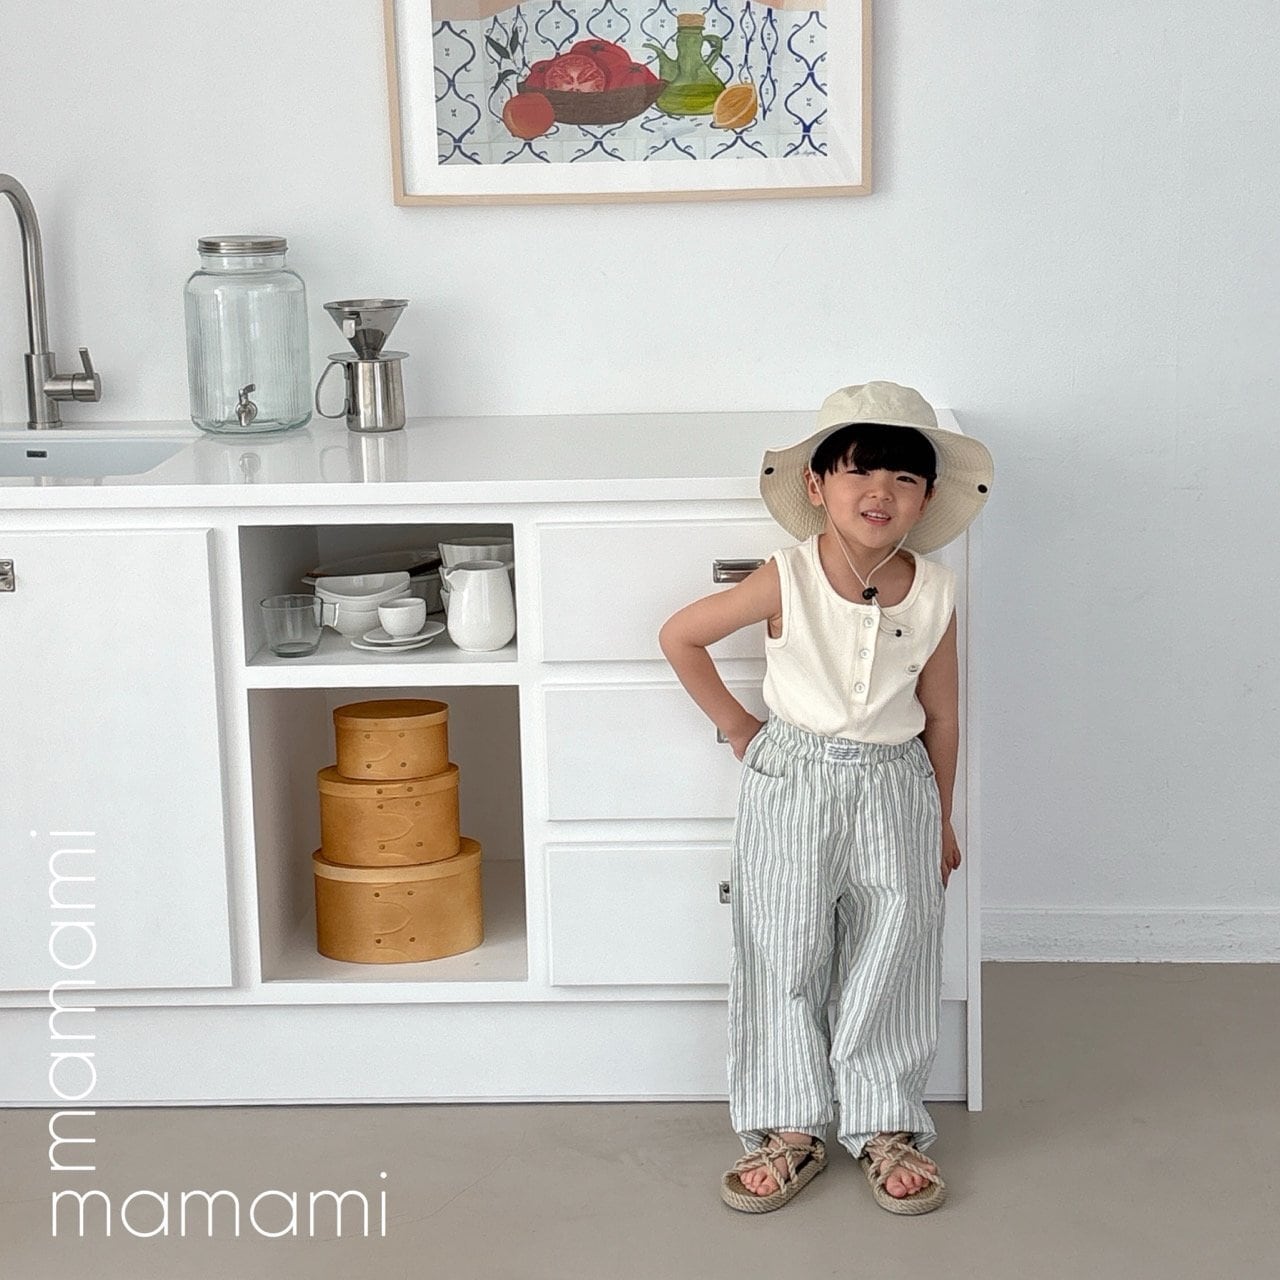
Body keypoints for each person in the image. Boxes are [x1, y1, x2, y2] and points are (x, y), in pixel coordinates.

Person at [658, 381, 993, 1216]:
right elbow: (681, 635)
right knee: (783, 949)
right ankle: (789, 1126)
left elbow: (944, 715)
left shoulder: (936, 592)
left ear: (926, 498)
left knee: (896, 948)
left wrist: (942, 818)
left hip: (896, 787)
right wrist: (740, 727)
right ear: (816, 484)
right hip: (793, 783)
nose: (881, 491)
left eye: (904, 478)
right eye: (860, 471)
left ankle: (884, 1123)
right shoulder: (788, 577)